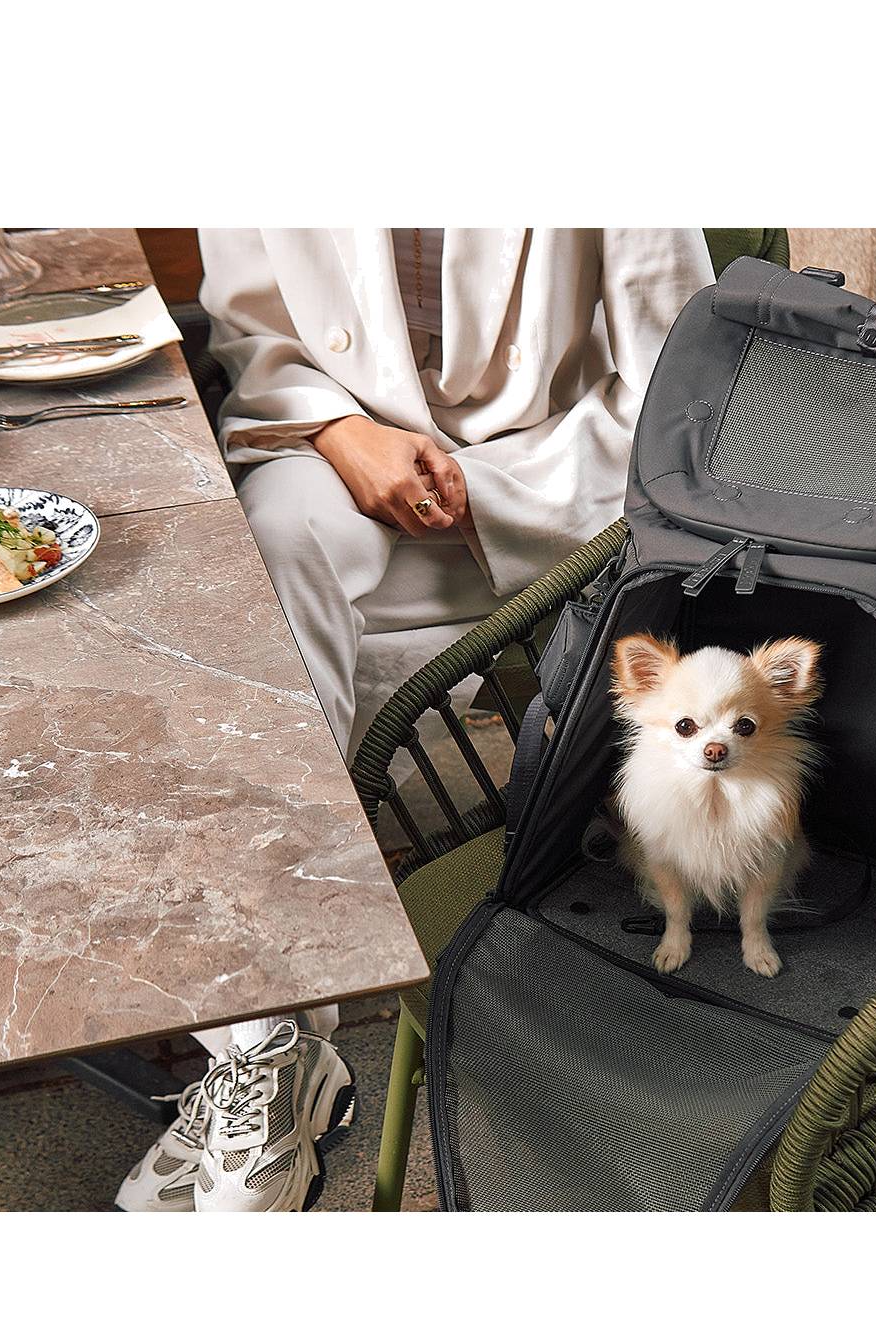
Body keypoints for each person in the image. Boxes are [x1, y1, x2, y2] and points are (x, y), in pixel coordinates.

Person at [115, 228, 714, 1212]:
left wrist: (480, 490)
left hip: (556, 478)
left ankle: (266, 1059)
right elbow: (255, 325)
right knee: (256, 574)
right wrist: (344, 437)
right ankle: (271, 1046)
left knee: (215, 650)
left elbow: (679, 382)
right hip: (344, 447)